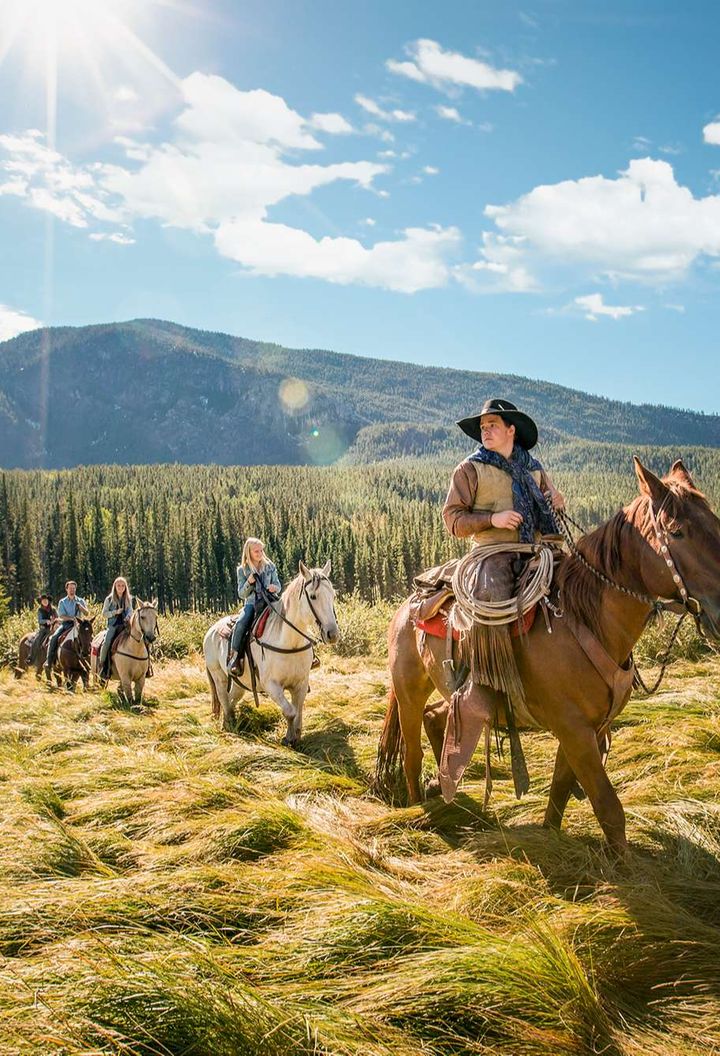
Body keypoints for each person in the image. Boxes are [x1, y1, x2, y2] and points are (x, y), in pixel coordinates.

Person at [438, 398, 565, 800]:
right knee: (492, 601)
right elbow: (452, 520)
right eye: (482, 426)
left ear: (511, 430)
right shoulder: (470, 468)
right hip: (490, 553)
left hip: (539, 549)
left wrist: (557, 501)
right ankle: (488, 683)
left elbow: (551, 505)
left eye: (492, 424)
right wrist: (492, 520)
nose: (485, 431)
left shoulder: (534, 468)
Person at [227, 538, 282, 674]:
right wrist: (249, 582)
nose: (259, 553)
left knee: (291, 615)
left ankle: (307, 656)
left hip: (271, 601)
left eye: (261, 550)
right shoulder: (242, 570)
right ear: (249, 552)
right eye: (256, 551)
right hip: (252, 604)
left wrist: (274, 587)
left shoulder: (270, 566)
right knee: (241, 623)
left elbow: (278, 585)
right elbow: (241, 593)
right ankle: (235, 658)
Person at [45, 580, 89, 678]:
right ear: (66, 589)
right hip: (66, 625)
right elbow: (62, 616)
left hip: (79, 626)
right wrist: (72, 618)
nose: (72, 590)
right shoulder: (62, 602)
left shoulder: (81, 600)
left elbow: (86, 613)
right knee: (54, 638)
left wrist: (81, 607)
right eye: (70, 588)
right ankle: (49, 661)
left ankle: (91, 661)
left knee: (88, 638)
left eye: (73, 588)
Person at [99, 576, 133, 680]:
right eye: (118, 585)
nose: (121, 587)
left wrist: (128, 617)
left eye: (123, 585)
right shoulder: (109, 599)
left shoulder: (128, 598)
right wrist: (115, 612)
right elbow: (104, 614)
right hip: (113, 625)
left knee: (139, 638)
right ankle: (102, 665)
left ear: (125, 587)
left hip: (125, 625)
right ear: (115, 586)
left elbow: (131, 610)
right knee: (107, 641)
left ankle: (145, 665)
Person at [28, 593, 57, 667]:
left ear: (48, 601)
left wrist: (55, 620)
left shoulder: (53, 609)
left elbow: (57, 617)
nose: (45, 602)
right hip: (44, 629)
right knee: (37, 640)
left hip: (53, 627)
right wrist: (46, 621)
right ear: (41, 602)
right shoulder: (40, 610)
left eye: (46, 600)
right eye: (43, 601)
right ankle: (31, 658)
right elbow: (40, 620)